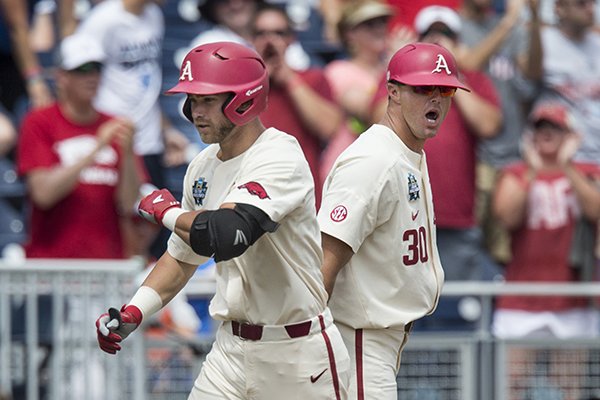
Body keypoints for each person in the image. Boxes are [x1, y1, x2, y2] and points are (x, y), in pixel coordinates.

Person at [95, 41, 351, 400]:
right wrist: (135, 311)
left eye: (208, 100)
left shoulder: (279, 153)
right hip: (231, 349)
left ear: (244, 99)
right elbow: (182, 257)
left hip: (297, 352)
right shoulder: (202, 165)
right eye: (193, 100)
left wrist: (166, 212)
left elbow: (228, 235)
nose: (196, 111)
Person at [317, 42, 468, 399]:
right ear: (393, 92)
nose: (435, 99)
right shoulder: (374, 159)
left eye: (443, 89)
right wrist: (310, 347)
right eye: (422, 89)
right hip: (355, 342)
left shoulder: (406, 151)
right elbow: (322, 262)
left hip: (377, 342)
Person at [492, 102, 600, 400]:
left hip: (572, 299)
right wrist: (533, 172)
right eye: (541, 127)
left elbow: (595, 210)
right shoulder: (515, 173)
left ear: (571, 134)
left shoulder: (589, 172)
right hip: (521, 299)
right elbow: (506, 216)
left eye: (555, 127)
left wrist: (567, 166)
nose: (547, 133)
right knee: (511, 386)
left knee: (570, 388)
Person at [75, 0, 190, 258]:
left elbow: (143, 85)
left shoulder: (153, 16)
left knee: (154, 239)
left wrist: (166, 129)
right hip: (116, 146)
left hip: (150, 144)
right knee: (124, 240)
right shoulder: (102, 21)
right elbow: (79, 79)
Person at [16, 32, 143, 258]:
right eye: (82, 69)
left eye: (97, 68)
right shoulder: (39, 122)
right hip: (52, 267)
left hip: (107, 266)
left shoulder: (116, 125)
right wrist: (96, 148)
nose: (92, 76)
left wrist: (127, 155)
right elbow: (43, 194)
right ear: (61, 76)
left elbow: (127, 203)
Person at [459, 0, 543, 267]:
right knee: (470, 244)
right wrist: (508, 22)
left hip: (512, 156)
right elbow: (468, 66)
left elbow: (532, 73)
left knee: (506, 251)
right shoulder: (454, 27)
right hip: (473, 158)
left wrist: (535, 18)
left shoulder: (513, 29)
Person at [252, 3, 342, 208]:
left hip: (302, 199)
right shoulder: (243, 85)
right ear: (251, 39)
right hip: (253, 197)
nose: (269, 40)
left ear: (291, 39)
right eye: (261, 33)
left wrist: (289, 79)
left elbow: (329, 128)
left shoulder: (312, 78)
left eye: (278, 33)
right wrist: (259, 81)